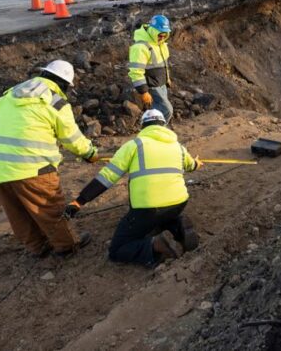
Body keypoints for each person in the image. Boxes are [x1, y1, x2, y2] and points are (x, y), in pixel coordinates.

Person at [0, 60, 98, 257]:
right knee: (49, 207)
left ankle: (37, 247)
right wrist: (89, 153)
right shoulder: (55, 101)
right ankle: (67, 245)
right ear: (64, 83)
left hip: (0, 168)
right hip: (34, 167)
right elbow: (72, 138)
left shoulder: (8, 95)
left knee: (18, 212)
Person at [65, 109, 202, 267]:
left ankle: (155, 245)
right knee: (160, 216)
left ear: (143, 126)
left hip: (148, 208)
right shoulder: (178, 147)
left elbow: (107, 177)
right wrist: (197, 163)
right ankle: (177, 226)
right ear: (164, 125)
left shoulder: (134, 145)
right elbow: (191, 165)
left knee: (117, 249)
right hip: (179, 203)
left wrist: (79, 201)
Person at [128, 14, 173, 123]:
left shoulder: (160, 44)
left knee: (158, 113)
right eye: (160, 35)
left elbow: (163, 64)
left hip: (161, 84)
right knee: (167, 111)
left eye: (164, 35)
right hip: (152, 87)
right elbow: (136, 71)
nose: (162, 38)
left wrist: (167, 79)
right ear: (153, 31)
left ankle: (156, 134)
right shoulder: (140, 47)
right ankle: (156, 132)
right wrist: (143, 91)